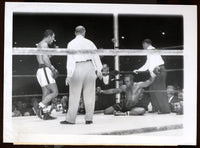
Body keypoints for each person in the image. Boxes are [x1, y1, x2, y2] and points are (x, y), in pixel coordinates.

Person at [60, 26, 103, 125]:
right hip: (90, 66)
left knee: (74, 94)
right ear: (84, 32)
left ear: (75, 33)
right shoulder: (90, 42)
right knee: (90, 94)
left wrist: (69, 74)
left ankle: (70, 120)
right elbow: (96, 56)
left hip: (77, 67)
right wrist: (99, 70)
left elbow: (70, 60)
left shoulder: (71, 43)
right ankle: (89, 119)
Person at [134, 39, 170, 114]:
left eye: (143, 45)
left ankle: (165, 110)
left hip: (158, 70)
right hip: (156, 71)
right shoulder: (149, 52)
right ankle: (156, 108)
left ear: (145, 44)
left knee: (159, 90)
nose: (142, 47)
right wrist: (138, 70)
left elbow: (153, 64)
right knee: (152, 89)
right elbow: (147, 64)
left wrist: (153, 74)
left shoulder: (151, 50)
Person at [33, 29, 59, 120]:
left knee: (46, 92)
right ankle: (38, 107)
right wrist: (52, 68)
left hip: (41, 70)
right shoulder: (44, 44)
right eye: (53, 37)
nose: (53, 40)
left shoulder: (40, 44)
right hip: (44, 69)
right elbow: (45, 59)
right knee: (55, 92)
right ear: (49, 36)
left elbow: (46, 57)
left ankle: (46, 113)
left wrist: (54, 52)